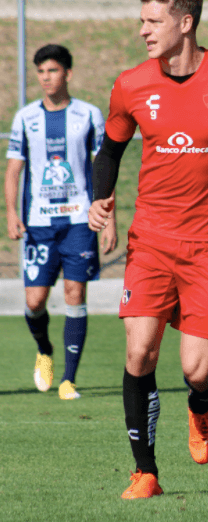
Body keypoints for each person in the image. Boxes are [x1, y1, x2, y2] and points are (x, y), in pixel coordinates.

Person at [87, 0, 208, 500]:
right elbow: (109, 152)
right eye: (142, 20)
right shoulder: (130, 85)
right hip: (150, 241)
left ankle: (200, 404)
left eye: (153, 21)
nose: (142, 30)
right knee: (139, 353)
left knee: (197, 369)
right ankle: (144, 472)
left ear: (185, 23)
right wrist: (102, 198)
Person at [4, 44, 117, 401]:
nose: (46, 78)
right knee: (35, 301)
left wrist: (109, 217)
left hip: (79, 221)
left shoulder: (89, 115)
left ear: (67, 73)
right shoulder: (25, 118)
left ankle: (68, 380)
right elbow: (13, 170)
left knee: (74, 293)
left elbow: (104, 168)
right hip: (38, 224)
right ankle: (44, 349)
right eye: (40, 72)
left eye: (52, 71)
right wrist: (10, 211)